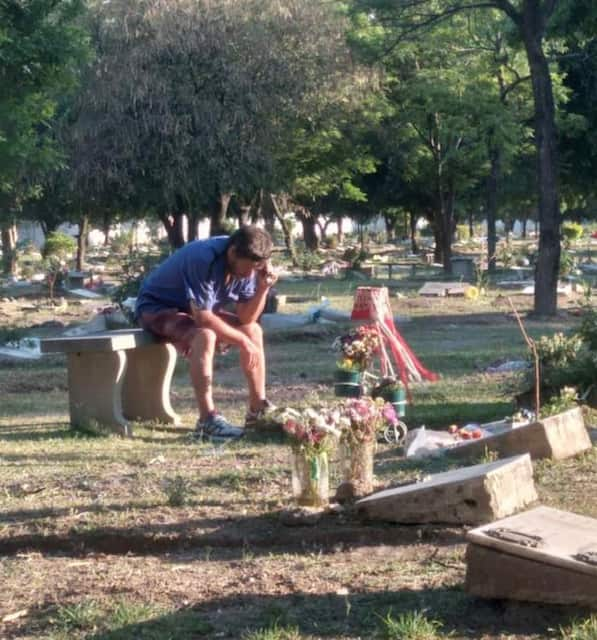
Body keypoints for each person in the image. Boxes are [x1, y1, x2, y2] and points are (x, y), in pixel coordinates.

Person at [135, 225, 278, 442]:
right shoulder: (203, 258)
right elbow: (202, 318)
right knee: (205, 335)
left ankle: (257, 410)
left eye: (254, 269)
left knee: (253, 331)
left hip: (192, 311)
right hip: (157, 310)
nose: (249, 275)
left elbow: (247, 318)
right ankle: (207, 420)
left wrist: (263, 288)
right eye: (247, 269)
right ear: (232, 253)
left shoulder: (250, 262)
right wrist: (242, 342)